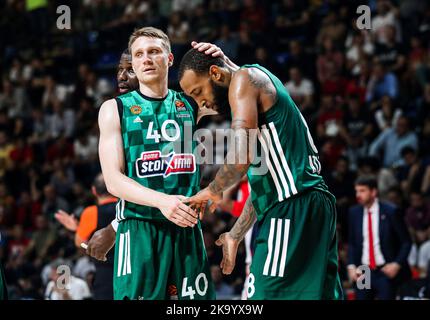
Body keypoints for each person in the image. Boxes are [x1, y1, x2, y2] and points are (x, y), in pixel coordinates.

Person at [178, 49, 343, 299]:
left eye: (198, 92)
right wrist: (235, 235)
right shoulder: (254, 81)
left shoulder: (243, 79)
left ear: (214, 73)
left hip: (290, 210)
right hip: (312, 206)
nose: (201, 104)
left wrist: (212, 190)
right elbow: (267, 184)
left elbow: (240, 158)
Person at [87, 27, 233, 300]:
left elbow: (242, 93)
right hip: (140, 229)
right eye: (138, 54)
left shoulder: (191, 103)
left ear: (169, 59)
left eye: (154, 52)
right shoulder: (114, 109)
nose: (146, 59)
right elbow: (114, 180)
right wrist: (163, 202)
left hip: (186, 230)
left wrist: (225, 63)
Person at [347, 175, 412, 300]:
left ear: (373, 192)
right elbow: (352, 242)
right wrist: (351, 265)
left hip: (385, 271)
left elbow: (406, 242)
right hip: (363, 271)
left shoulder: (391, 211)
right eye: (356, 191)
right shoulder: (354, 212)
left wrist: (397, 264)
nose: (358, 195)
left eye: (362, 191)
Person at [55, 173, 117, 299]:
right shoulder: (129, 207)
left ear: (94, 191)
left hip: (106, 275)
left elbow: (81, 244)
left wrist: (78, 231)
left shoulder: (91, 213)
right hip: (134, 271)